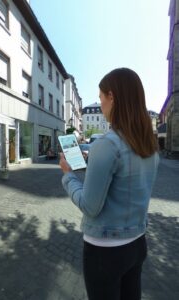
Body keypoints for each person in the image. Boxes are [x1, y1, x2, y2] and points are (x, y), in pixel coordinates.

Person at [59, 68, 159, 300]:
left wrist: (68, 175)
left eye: (101, 96)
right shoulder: (149, 146)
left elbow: (90, 206)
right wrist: (92, 160)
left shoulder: (108, 144)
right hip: (137, 243)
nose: (101, 104)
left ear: (111, 97)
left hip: (105, 251)